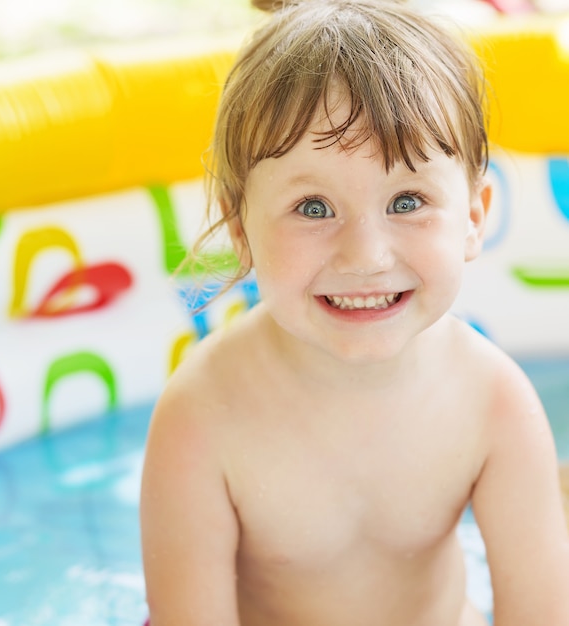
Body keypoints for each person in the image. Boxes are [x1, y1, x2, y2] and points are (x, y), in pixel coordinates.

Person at [139, 1, 569, 624]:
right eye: (313, 207)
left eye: (408, 200)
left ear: (474, 217)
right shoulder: (202, 418)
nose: (365, 255)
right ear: (240, 229)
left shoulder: (495, 402)